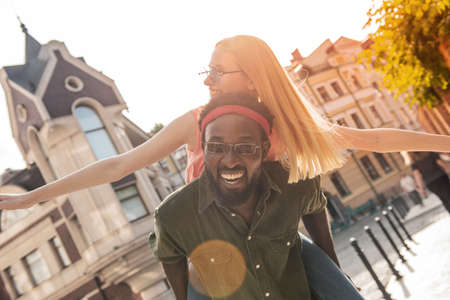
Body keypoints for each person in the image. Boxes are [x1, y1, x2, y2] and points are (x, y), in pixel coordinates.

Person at [0, 34, 449, 297]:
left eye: (219, 72)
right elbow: (117, 165)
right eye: (208, 72)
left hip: (283, 252)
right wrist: (34, 197)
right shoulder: (196, 123)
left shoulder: (284, 127)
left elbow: (371, 137)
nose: (208, 81)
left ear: (253, 78)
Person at [150, 92, 362, 300]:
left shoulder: (296, 183)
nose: (230, 161)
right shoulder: (174, 215)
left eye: (244, 147)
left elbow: (315, 208)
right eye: (216, 147)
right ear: (203, 148)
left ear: (264, 148)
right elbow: (169, 256)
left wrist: (336, 276)